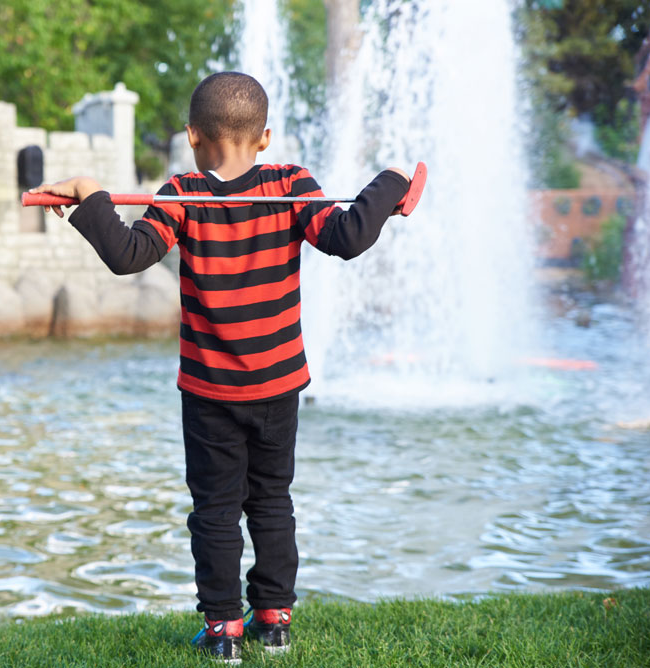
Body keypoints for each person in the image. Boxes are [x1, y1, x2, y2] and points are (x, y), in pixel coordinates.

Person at [29, 71, 410, 663]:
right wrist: (392, 182)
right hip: (279, 385)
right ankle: (274, 619)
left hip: (210, 392)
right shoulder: (290, 182)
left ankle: (224, 630)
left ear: (191, 136)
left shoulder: (182, 192)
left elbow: (130, 255)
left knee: (215, 510)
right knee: (272, 501)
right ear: (264, 137)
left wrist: (90, 195)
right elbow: (348, 234)